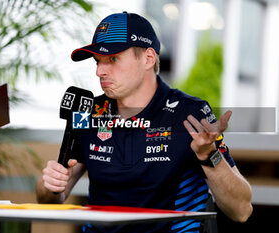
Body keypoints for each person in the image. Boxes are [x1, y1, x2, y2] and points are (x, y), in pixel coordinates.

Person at [36, 12, 253, 232]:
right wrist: (50, 185)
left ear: (148, 58)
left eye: (113, 59)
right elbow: (50, 199)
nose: (99, 71)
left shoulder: (191, 112)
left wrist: (209, 155)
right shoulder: (88, 111)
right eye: (97, 61)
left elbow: (241, 211)